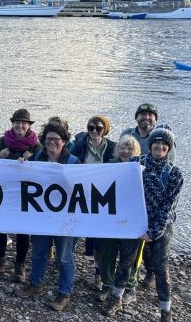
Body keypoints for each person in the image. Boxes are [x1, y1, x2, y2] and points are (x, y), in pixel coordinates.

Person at [15, 121, 79, 312]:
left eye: (56, 139)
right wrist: (22, 166)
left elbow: (79, 189)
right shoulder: (37, 157)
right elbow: (25, 180)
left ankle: (64, 292)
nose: (52, 143)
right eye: (48, 139)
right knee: (38, 252)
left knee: (65, 258)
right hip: (42, 217)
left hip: (65, 219)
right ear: (43, 141)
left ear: (64, 142)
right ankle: (36, 284)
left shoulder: (74, 162)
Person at [122, 129, 182, 321]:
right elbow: (115, 177)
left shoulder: (174, 173)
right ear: (150, 144)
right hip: (136, 222)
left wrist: (153, 231)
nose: (160, 146)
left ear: (169, 147)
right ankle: (116, 297)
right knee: (125, 260)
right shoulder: (135, 163)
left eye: (164, 144)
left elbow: (168, 207)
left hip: (161, 226)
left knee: (160, 267)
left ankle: (166, 310)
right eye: (156, 143)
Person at [0, 108, 42, 283]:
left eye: (24, 123)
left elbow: (44, 167)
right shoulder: (2, 141)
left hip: (26, 193)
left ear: (28, 126)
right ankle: (0, 258)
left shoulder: (36, 146)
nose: (20, 126)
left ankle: (20, 265)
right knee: (0, 226)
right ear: (12, 123)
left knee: (22, 230)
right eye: (17, 122)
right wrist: (0, 156)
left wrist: (31, 161)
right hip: (4, 190)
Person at [97, 135, 144, 314]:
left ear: (136, 151)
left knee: (128, 258)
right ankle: (107, 284)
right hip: (110, 219)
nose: (125, 151)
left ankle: (129, 287)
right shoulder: (109, 166)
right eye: (122, 148)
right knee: (107, 253)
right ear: (117, 150)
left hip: (131, 220)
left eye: (129, 148)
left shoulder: (141, 169)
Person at [70, 115, 117, 290]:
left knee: (99, 237)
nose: (95, 131)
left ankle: (98, 274)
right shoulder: (80, 145)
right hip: (81, 194)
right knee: (74, 230)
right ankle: (66, 261)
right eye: (91, 128)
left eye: (99, 128)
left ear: (105, 130)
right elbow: (69, 161)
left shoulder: (112, 147)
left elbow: (121, 165)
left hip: (103, 197)